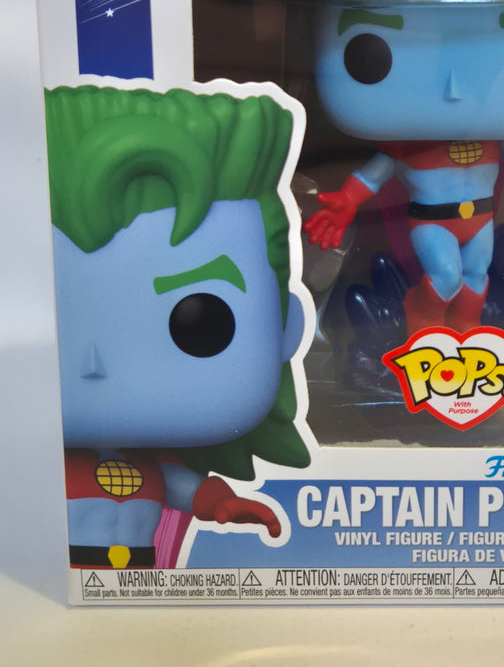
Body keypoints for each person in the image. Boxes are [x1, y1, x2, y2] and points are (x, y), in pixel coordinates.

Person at [46, 85, 309, 569]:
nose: (93, 364)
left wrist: (223, 504)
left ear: (286, 330)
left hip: (141, 579)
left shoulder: (155, 459)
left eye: (202, 322)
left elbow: (187, 489)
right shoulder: (34, 461)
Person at [304, 0, 504, 335]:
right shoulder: (410, 140)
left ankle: (466, 327)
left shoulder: (492, 136)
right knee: (446, 276)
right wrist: (347, 200)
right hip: (433, 222)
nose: (454, 89)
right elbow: (373, 174)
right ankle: (423, 318)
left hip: (480, 217)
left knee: (476, 275)